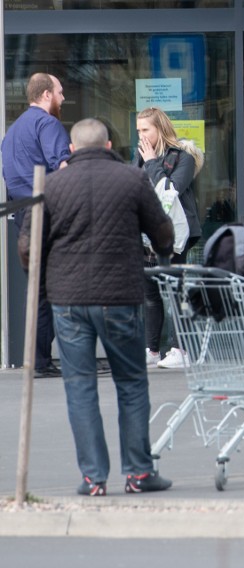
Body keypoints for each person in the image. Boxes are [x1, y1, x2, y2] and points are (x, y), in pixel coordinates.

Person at [18, 118, 175, 496]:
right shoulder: (132, 180)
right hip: (120, 296)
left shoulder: (51, 186)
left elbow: (27, 248)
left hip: (69, 300)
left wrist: (43, 274)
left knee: (80, 387)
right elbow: (164, 234)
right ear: (108, 147)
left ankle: (93, 478)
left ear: (71, 150)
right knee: (132, 384)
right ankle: (138, 473)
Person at [1, 73, 71, 378]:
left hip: (24, 217)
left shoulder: (12, 132)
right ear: (45, 95)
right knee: (53, 288)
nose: (63, 98)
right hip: (47, 212)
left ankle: (38, 358)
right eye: (59, 92)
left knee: (37, 289)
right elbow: (63, 167)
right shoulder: (48, 124)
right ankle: (44, 360)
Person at [135, 107, 204, 369]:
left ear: (160, 129)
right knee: (150, 292)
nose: (141, 136)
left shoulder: (182, 157)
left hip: (175, 232)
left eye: (145, 130)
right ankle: (152, 349)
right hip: (146, 231)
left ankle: (180, 349)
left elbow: (170, 191)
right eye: (138, 130)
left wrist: (152, 162)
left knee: (176, 290)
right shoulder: (141, 155)